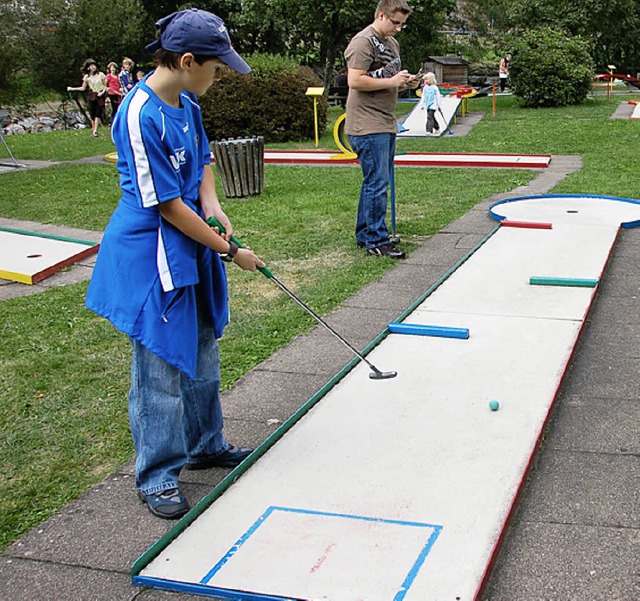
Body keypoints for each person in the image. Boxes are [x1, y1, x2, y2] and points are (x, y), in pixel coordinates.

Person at [85, 8, 265, 520]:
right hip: (152, 252)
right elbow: (166, 205)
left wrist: (214, 205)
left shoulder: (185, 102)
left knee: (204, 343)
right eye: (215, 66)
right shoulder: (139, 115)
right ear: (187, 61)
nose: (219, 75)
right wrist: (229, 250)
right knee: (161, 367)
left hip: (191, 237)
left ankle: (207, 444)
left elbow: (202, 162)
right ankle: (158, 474)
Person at [344, 0, 419, 259]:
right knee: (377, 182)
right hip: (366, 124)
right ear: (380, 15)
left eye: (402, 24)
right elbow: (354, 80)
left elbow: (386, 79)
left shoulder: (391, 43)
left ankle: (366, 233)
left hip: (385, 121)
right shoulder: (362, 42)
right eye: (395, 22)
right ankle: (375, 240)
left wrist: (403, 81)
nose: (398, 28)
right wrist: (391, 80)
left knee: (375, 181)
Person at [67, 58, 107, 137]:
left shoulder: (101, 75)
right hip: (92, 95)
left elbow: (105, 86)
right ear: (88, 67)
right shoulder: (86, 77)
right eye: (91, 66)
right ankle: (94, 131)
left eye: (94, 65)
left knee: (98, 113)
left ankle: (95, 130)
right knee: (92, 113)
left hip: (100, 95)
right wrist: (72, 88)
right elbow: (83, 88)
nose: (93, 67)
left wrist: (102, 93)